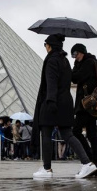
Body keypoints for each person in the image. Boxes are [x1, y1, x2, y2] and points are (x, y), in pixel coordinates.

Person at [31, 34, 97, 178]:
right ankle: (87, 163)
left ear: (50, 46)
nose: (45, 47)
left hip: (53, 102)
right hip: (66, 102)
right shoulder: (65, 60)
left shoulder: (52, 60)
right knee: (68, 134)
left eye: (45, 44)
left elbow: (51, 83)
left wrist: (50, 101)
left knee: (46, 133)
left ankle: (47, 169)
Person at [71, 43, 97, 166]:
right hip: (88, 103)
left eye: (75, 54)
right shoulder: (83, 63)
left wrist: (72, 69)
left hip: (86, 104)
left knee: (76, 130)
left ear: (81, 52)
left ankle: (89, 158)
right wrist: (75, 66)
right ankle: (94, 160)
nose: (74, 57)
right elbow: (75, 78)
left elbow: (76, 77)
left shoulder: (89, 63)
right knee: (92, 133)